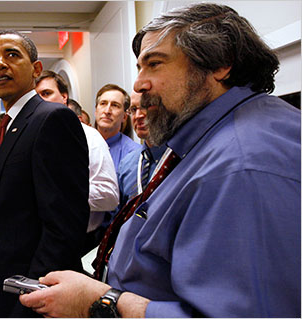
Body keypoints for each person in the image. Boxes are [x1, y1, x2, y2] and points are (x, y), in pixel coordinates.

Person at [19, 3, 300, 317]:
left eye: (154, 64)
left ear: (221, 64)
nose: (138, 84)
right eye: (140, 67)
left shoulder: (244, 164)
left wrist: (100, 302)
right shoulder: (205, 138)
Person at [0, 30, 90, 317]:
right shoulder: (7, 125)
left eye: (12, 55)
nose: (0, 64)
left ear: (36, 69)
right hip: (3, 286)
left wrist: (31, 296)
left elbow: (64, 224)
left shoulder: (53, 118)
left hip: (32, 295)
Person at [35, 70, 119, 251]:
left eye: (46, 93)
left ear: (64, 97)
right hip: (37, 243)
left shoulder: (89, 137)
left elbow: (109, 195)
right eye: (36, 96)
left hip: (77, 243)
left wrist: (59, 194)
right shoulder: (31, 139)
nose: (40, 101)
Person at [116, 91, 167, 209]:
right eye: (133, 109)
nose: (138, 115)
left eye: (145, 107)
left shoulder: (177, 159)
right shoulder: (127, 164)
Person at [94, 84, 140, 170]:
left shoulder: (134, 153)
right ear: (96, 111)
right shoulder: (81, 145)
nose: (107, 111)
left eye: (115, 105)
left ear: (124, 117)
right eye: (103, 103)